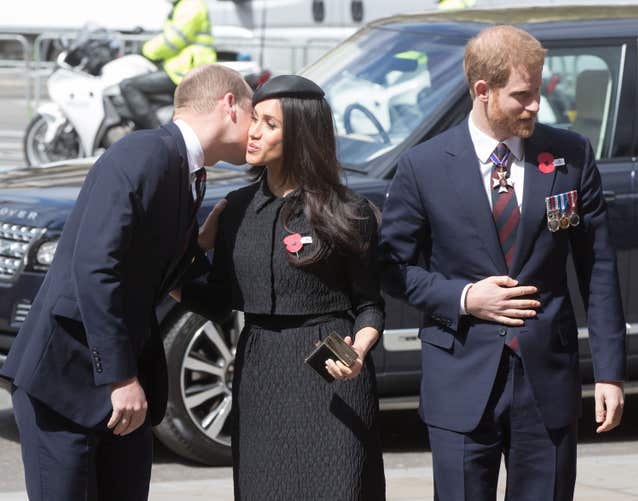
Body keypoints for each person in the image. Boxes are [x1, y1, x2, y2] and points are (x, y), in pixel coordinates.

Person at [379, 25, 625, 500]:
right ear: (482, 91)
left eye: (537, 91)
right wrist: (466, 298)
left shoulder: (570, 156)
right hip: (460, 378)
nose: (536, 105)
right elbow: (392, 268)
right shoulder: (423, 166)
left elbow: (597, 267)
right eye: (522, 95)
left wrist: (610, 374)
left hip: (546, 381)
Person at [0, 64, 253, 501]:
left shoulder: (187, 170)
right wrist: (120, 379)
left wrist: (199, 247)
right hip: (66, 382)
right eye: (255, 113)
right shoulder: (146, 153)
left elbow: (155, 273)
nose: (256, 129)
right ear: (230, 105)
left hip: (119, 393)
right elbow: (95, 268)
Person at [174, 75, 386, 500]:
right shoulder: (235, 209)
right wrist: (187, 254)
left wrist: (359, 350)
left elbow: (369, 305)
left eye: (270, 124)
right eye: (254, 119)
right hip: (260, 371)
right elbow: (215, 299)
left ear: (303, 135)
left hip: (331, 373)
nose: (253, 131)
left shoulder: (349, 211)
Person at [120, 0, 216, 130]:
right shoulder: (184, 5)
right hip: (182, 67)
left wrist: (146, 50)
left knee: (128, 85)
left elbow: (174, 40)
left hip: (186, 70)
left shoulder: (191, 6)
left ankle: (157, 132)